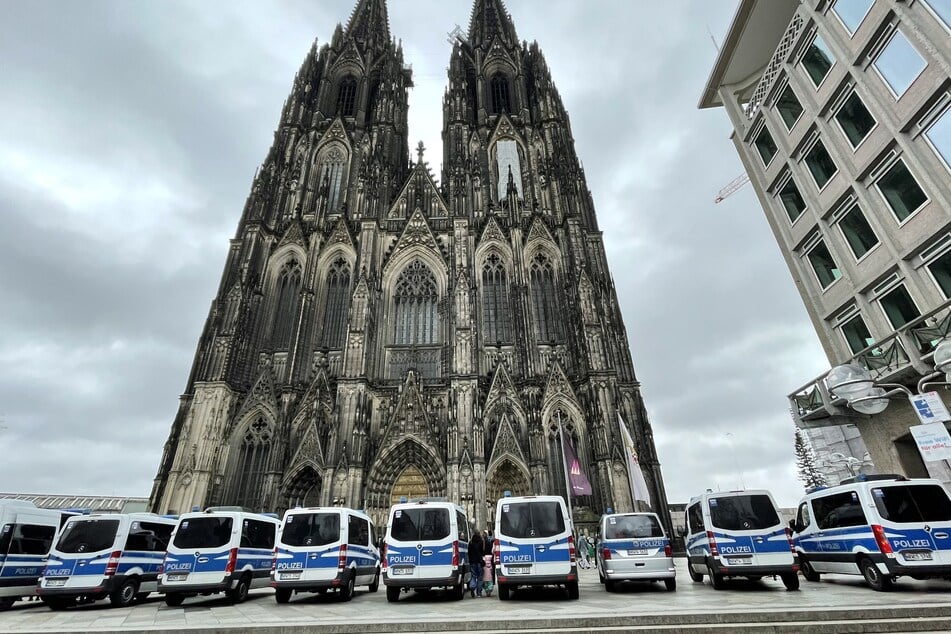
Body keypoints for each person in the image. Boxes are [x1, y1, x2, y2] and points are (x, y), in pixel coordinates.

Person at [468, 531, 485, 598]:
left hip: (472, 562)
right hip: (479, 562)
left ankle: (472, 587)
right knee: (480, 578)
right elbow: (482, 552)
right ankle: (479, 593)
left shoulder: (470, 543)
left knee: (473, 576)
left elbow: (469, 553)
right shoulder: (481, 542)